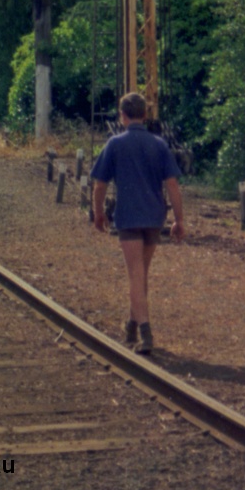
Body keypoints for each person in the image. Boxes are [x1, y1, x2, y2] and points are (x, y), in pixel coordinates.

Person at [91, 91, 184, 354]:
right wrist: (179, 219)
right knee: (141, 272)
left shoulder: (115, 144)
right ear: (145, 115)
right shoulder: (159, 144)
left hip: (129, 217)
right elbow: (173, 185)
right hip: (154, 217)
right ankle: (132, 325)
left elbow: (100, 185)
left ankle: (145, 332)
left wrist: (98, 213)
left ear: (122, 116)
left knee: (135, 273)